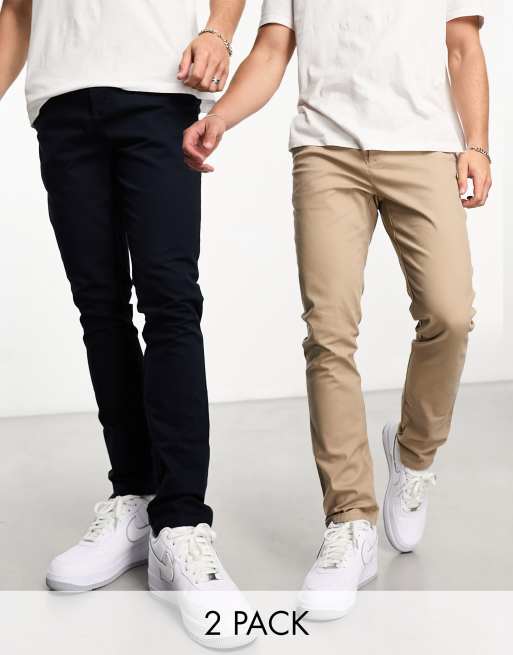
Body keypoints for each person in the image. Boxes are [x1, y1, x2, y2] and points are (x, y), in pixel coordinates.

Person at [183, 0, 492, 619]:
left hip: (424, 147)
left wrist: (477, 145)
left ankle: (413, 454)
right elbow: (273, 50)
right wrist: (220, 116)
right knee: (329, 335)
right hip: (326, 153)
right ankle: (349, 521)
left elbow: (462, 46)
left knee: (450, 313)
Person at [0, 0, 252, 647]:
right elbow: (16, 12)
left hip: (158, 87)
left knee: (170, 300)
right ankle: (134, 498)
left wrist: (218, 30)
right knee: (100, 307)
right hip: (61, 100)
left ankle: (183, 523)